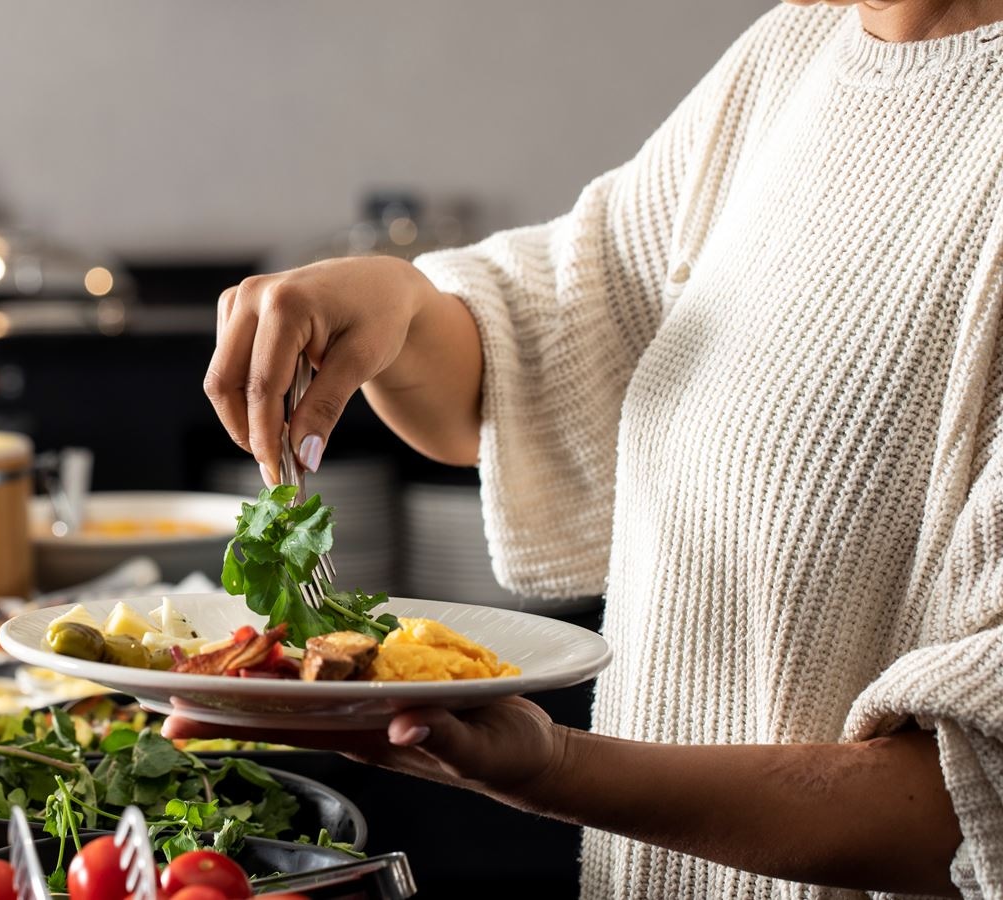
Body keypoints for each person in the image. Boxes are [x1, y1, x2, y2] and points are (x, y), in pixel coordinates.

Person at [172, 1, 1003, 897]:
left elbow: (968, 802)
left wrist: (555, 767)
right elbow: (541, 357)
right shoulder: (796, 51)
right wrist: (398, 303)